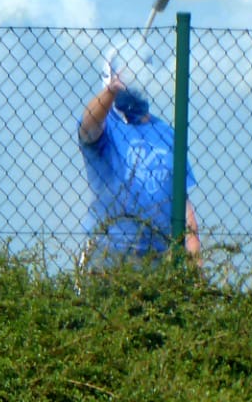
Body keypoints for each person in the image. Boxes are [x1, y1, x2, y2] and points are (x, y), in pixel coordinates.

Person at [77, 64, 199, 267]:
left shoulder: (167, 134)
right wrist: (112, 90)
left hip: (157, 259)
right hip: (108, 255)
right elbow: (87, 125)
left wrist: (196, 265)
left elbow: (182, 203)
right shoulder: (108, 127)